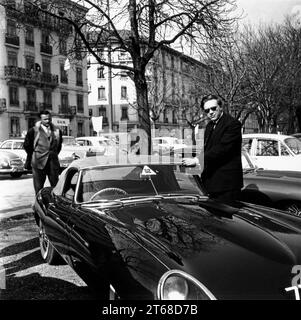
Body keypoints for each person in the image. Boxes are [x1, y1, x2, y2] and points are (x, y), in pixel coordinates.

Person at [182, 94, 243, 205]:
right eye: (207, 110)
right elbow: (208, 149)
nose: (210, 112)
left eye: (213, 108)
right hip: (210, 185)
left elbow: (222, 149)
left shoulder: (232, 124)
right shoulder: (210, 125)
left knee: (226, 221)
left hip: (227, 186)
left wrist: (196, 160)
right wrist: (194, 162)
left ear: (220, 107)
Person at [24, 110, 62, 195]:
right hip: (38, 162)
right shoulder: (33, 131)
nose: (47, 121)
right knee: (38, 187)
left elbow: (59, 146)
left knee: (56, 187)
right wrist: (36, 154)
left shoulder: (57, 131)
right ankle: (39, 205)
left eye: (49, 119)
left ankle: (54, 205)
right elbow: (27, 145)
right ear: (40, 119)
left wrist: (52, 154)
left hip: (53, 163)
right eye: (45, 119)